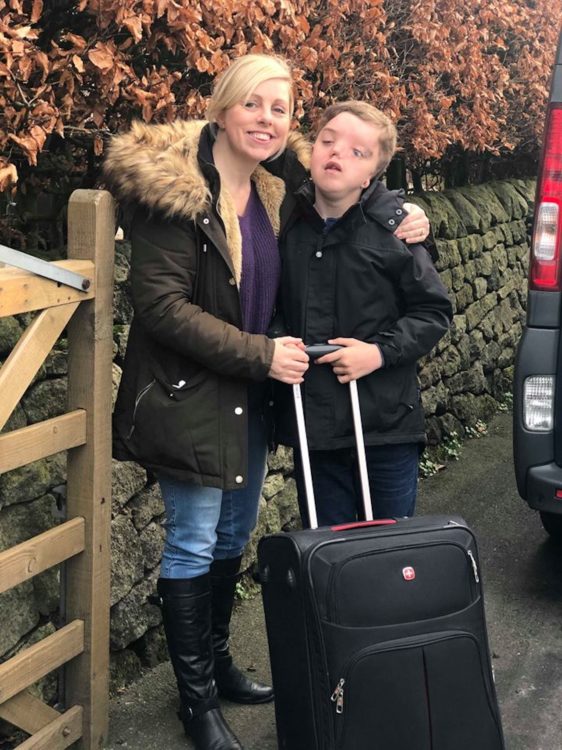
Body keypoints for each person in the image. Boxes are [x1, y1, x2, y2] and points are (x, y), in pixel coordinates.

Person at [103, 56, 432, 750]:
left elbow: (354, 225)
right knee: (193, 538)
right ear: (223, 108)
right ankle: (196, 704)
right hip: (191, 392)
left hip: (248, 401)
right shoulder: (176, 190)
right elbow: (160, 306)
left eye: (280, 109)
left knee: (229, 536)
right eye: (253, 104)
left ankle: (216, 665)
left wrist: (407, 213)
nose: (266, 119)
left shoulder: (277, 198)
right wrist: (262, 354)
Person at [274, 100, 453, 528]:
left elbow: (433, 311)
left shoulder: (393, 231)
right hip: (314, 427)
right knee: (329, 555)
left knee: (387, 555)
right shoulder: (286, 223)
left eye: (358, 151)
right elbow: (271, 301)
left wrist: (377, 353)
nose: (336, 154)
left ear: (371, 174)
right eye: (328, 141)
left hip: (385, 425)